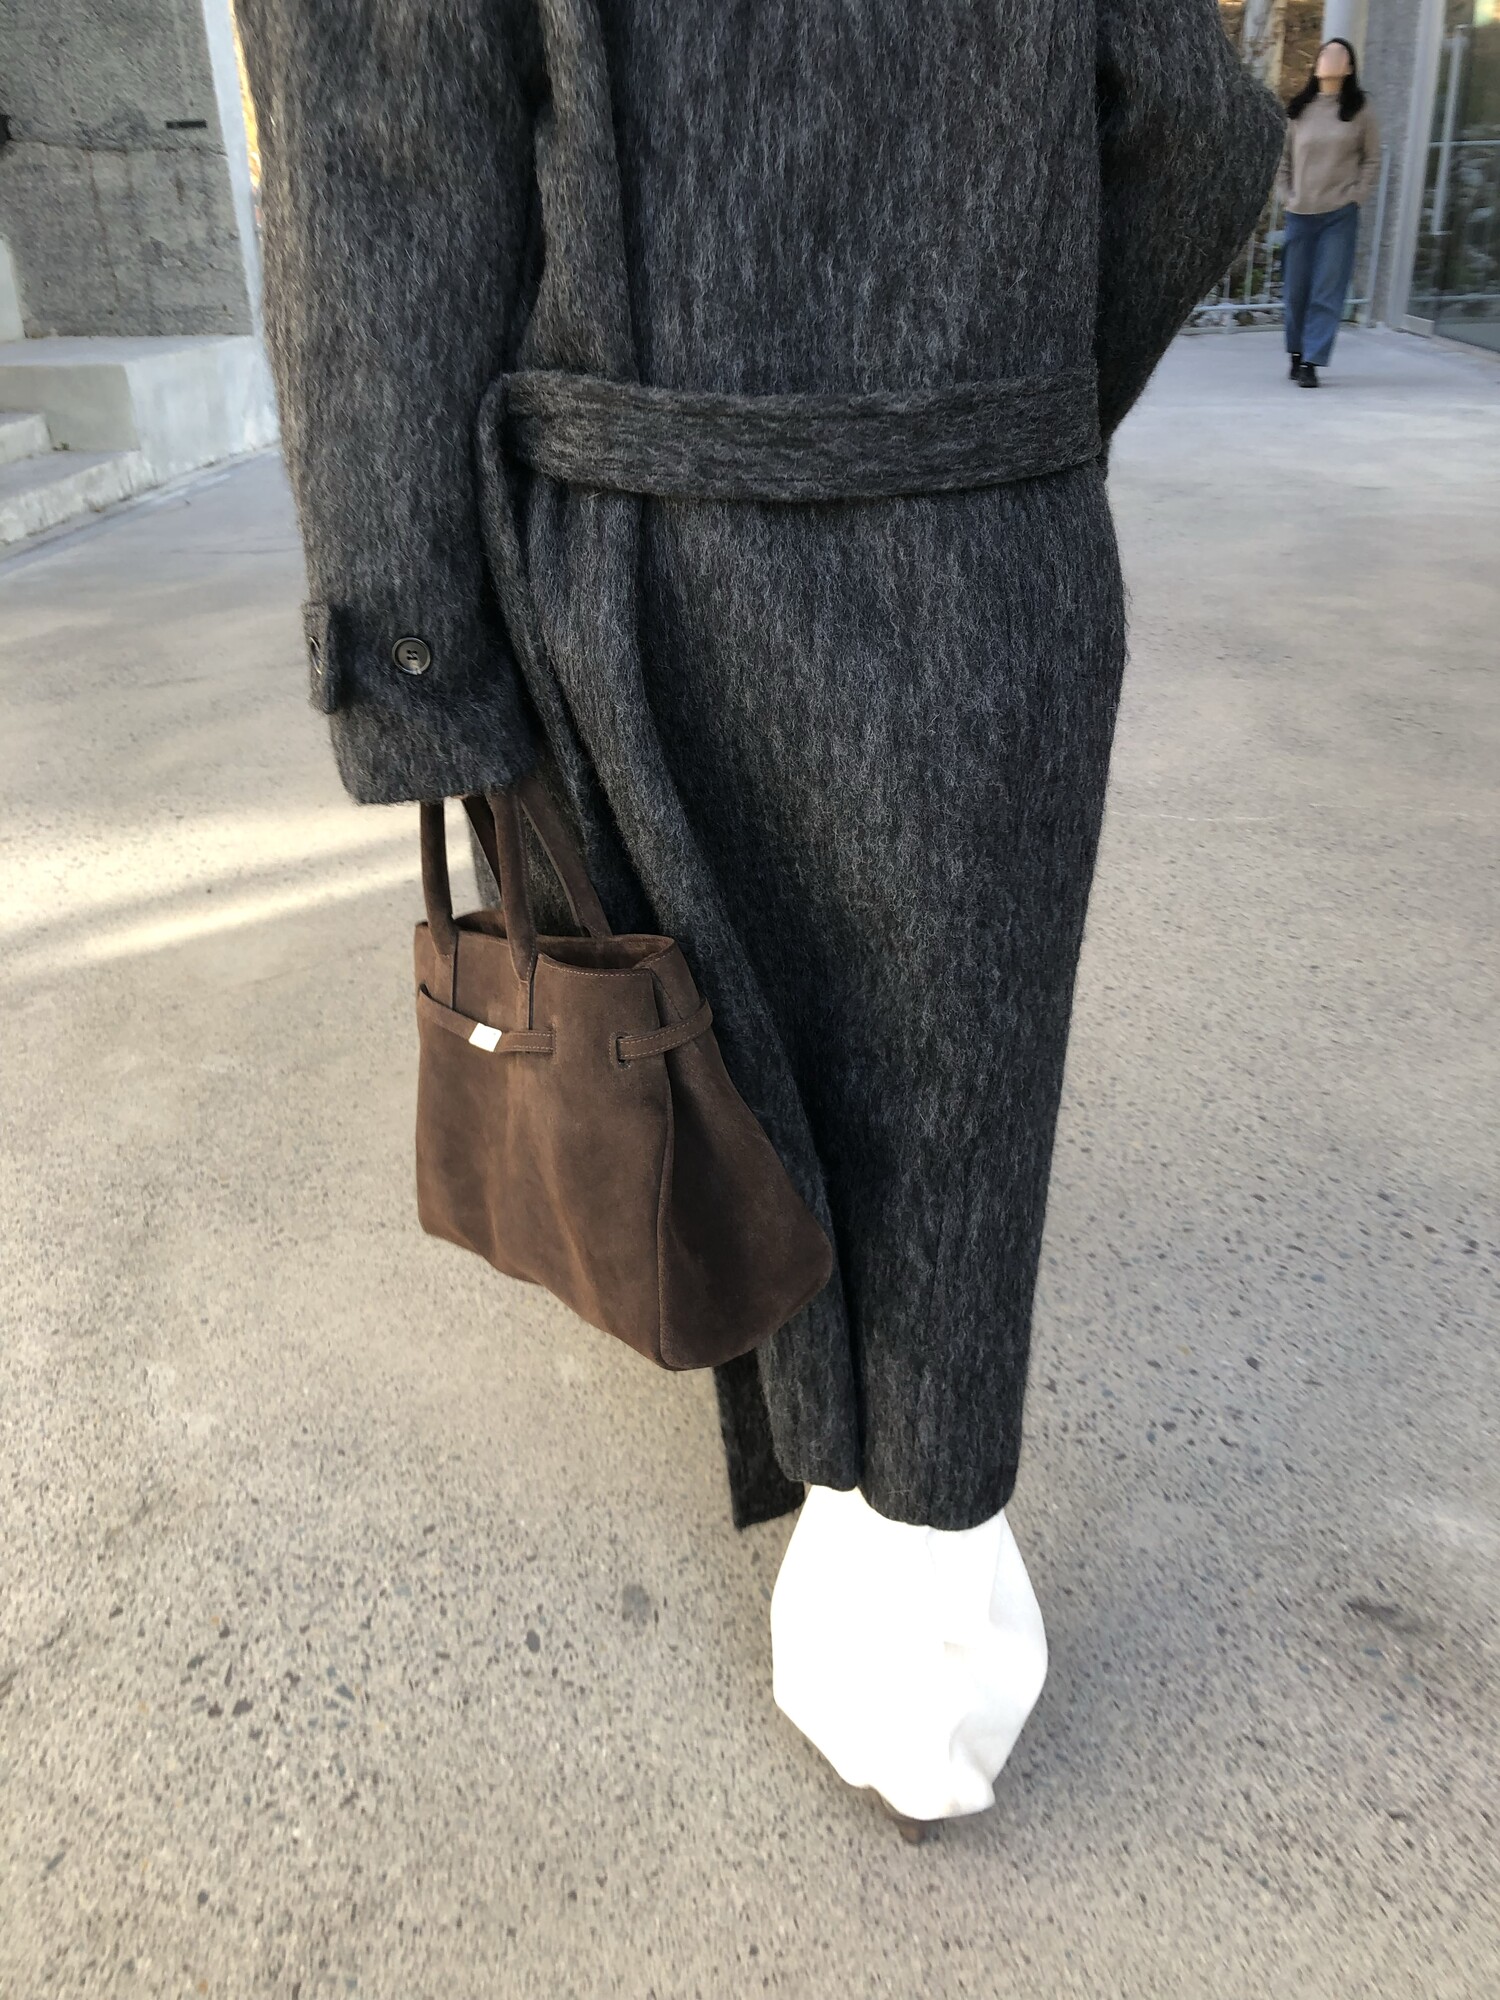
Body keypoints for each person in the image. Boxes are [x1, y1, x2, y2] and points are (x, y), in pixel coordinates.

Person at [236, 0, 1283, 1834]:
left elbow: (386, 177)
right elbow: (1199, 130)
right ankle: (928, 1607)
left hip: (650, 554)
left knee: (696, 1046)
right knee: (953, 1102)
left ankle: (859, 1551)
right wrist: (1005, 422)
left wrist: (411, 651)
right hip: (990, 544)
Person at [1278, 37, 1381, 387]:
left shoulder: (1360, 110)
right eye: (1324, 53)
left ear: (1349, 67)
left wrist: (1357, 195)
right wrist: (1287, 196)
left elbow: (1372, 159)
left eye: (1338, 55)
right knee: (1296, 290)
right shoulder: (1300, 109)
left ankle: (1311, 361)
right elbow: (1283, 160)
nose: (1329, 58)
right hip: (1300, 213)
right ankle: (1295, 352)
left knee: (1327, 289)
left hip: (1339, 214)